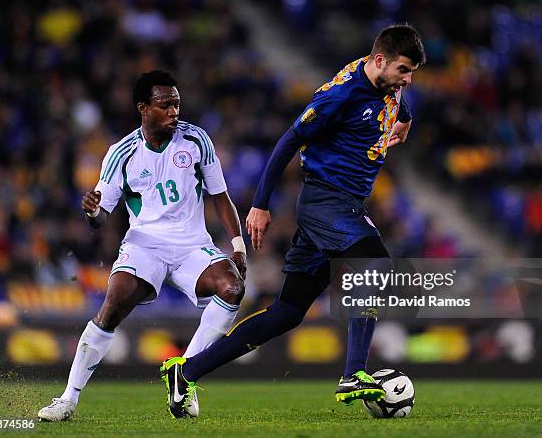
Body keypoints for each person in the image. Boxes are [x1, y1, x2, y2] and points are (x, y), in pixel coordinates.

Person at [161, 24, 426, 418]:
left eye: (412, 73)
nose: (407, 80)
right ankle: (354, 373)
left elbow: (398, 100)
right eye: (404, 70)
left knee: (288, 311)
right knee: (375, 265)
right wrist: (261, 205)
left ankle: (189, 371)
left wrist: (404, 118)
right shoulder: (340, 96)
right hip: (326, 202)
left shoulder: (387, 83)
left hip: (341, 205)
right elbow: (289, 139)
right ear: (379, 61)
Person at [38, 70, 247, 421]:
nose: (174, 112)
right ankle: (68, 399)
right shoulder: (122, 153)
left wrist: (238, 245)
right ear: (143, 108)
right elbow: (101, 214)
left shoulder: (197, 141)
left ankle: (185, 376)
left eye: (177, 104)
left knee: (233, 287)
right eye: (165, 105)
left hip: (191, 244)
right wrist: (92, 212)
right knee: (112, 306)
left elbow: (221, 197)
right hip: (145, 244)